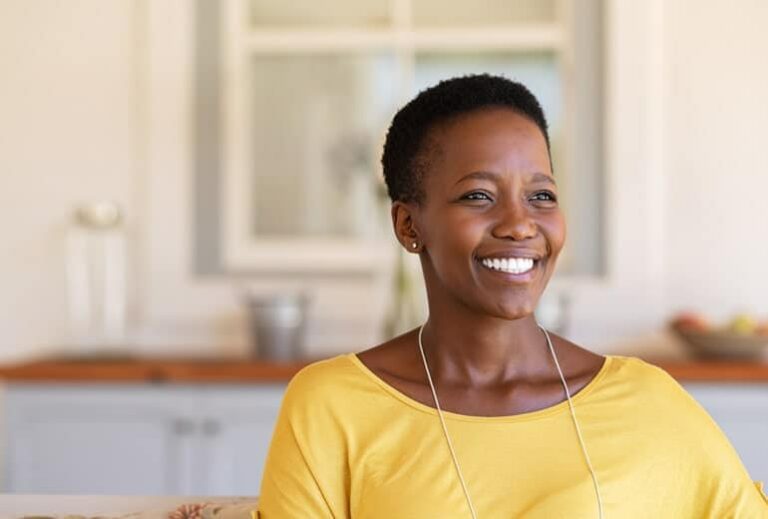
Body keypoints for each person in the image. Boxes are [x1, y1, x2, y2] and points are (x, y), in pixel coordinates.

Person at [255, 74, 768, 518]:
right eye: (479, 195)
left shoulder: (647, 401)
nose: (521, 224)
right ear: (409, 225)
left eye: (541, 196)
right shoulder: (332, 407)